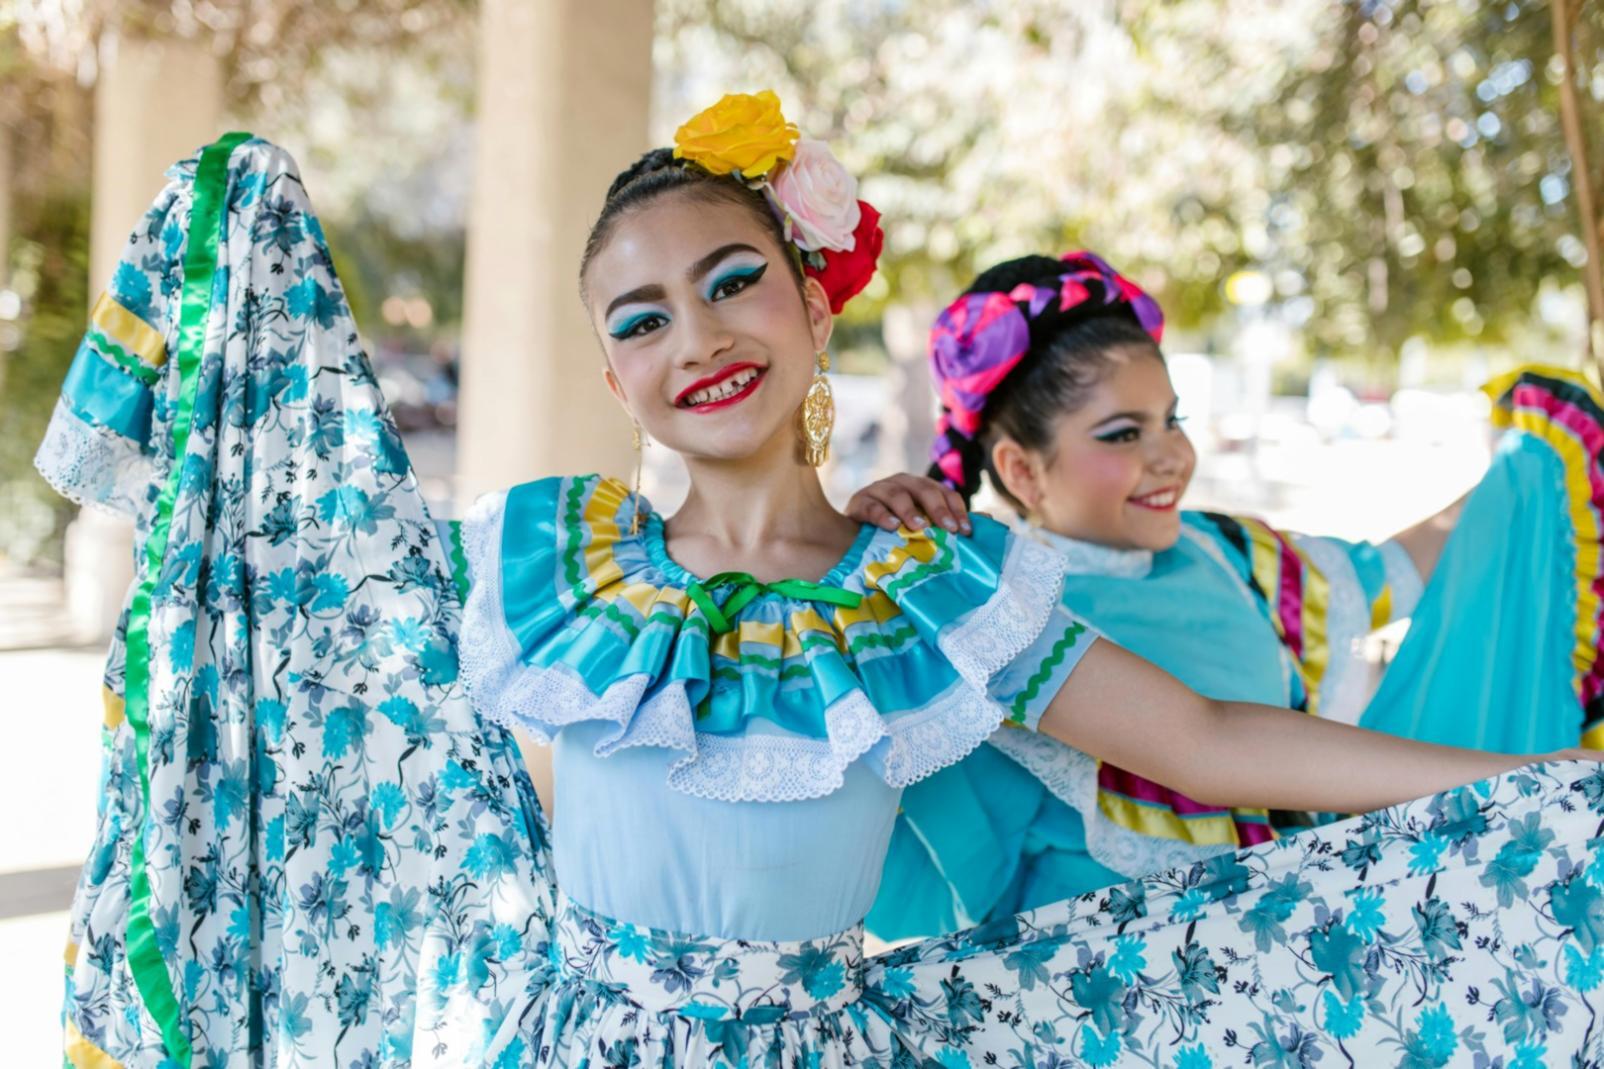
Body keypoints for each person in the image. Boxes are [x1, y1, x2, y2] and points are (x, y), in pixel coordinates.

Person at [40, 100, 1604, 1068]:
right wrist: (242, 229)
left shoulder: (921, 590)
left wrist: (1546, 782)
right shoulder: (539, 563)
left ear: (806, 300)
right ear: (611, 367)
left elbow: (1210, 742)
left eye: (731, 283)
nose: (697, 339)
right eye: (642, 317)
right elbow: (300, 617)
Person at [847, 250, 1604, 938]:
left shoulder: (1222, 551)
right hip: (1104, 985)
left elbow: (1393, 569)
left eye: (1171, 419)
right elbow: (1207, 741)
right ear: (1020, 470)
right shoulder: (984, 604)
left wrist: (1546, 467)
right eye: (1122, 434)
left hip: (1289, 948)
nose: (1170, 454)